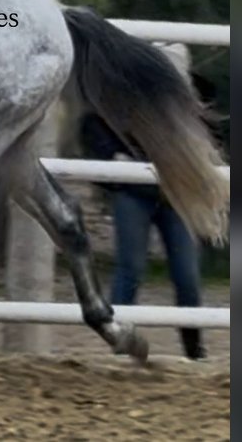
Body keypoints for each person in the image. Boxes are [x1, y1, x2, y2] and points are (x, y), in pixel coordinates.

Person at [80, 42, 208, 360]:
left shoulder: (193, 107)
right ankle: (119, 343)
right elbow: (93, 128)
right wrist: (114, 159)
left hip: (176, 194)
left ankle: (194, 351)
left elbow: (211, 141)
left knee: (187, 277)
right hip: (134, 193)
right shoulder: (122, 101)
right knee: (130, 269)